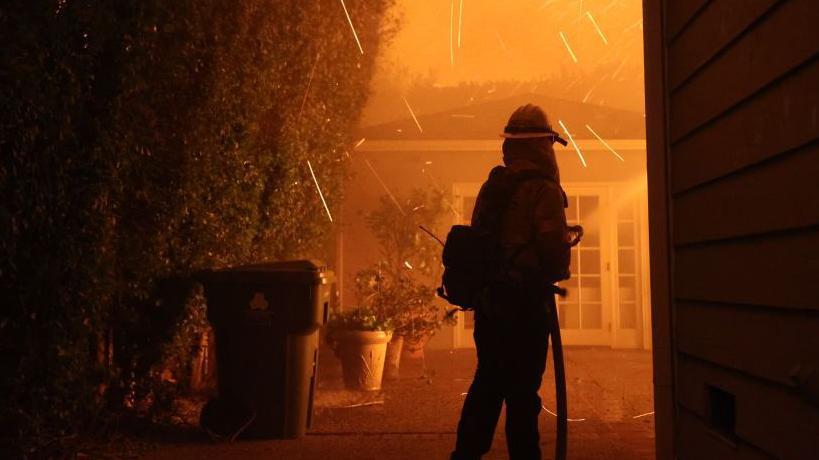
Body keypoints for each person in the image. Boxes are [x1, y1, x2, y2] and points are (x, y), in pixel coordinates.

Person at [451, 104, 573, 460]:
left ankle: (465, 455)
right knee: (522, 394)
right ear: (542, 144)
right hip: (525, 306)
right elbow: (553, 254)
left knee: (487, 384)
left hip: (490, 305)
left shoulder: (494, 187)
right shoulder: (542, 190)